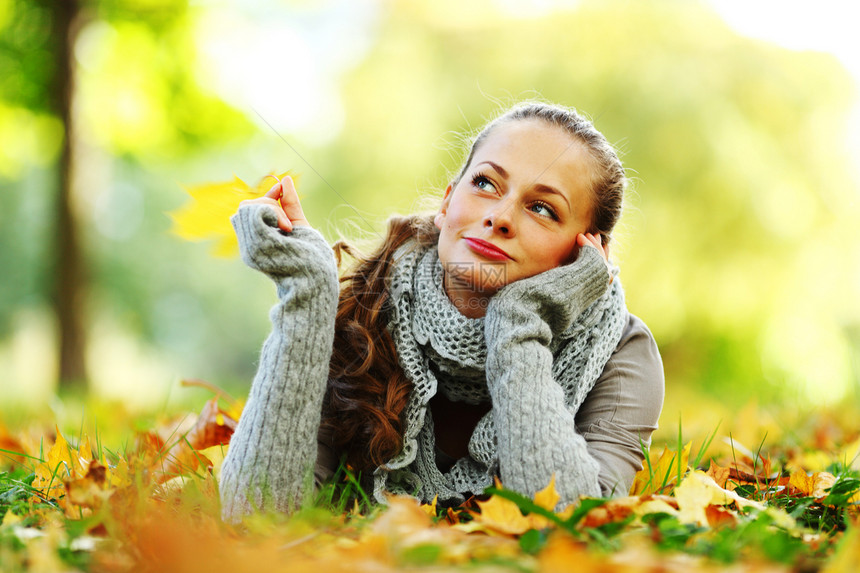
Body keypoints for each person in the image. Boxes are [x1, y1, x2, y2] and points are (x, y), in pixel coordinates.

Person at [218, 101, 664, 522]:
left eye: (542, 208)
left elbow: (570, 525)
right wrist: (305, 292)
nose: (500, 217)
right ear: (447, 201)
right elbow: (255, 516)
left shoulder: (621, 353)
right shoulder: (362, 313)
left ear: (585, 256)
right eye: (486, 183)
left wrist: (520, 322)